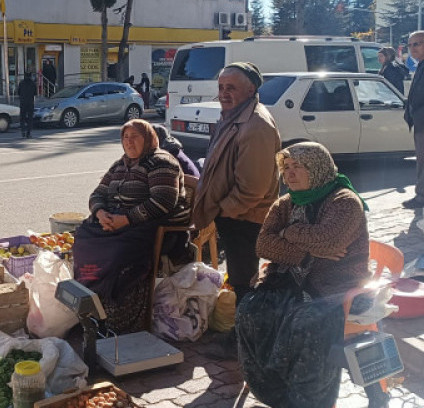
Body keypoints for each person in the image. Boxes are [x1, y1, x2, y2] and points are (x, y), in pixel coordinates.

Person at [237, 142, 370, 408]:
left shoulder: (345, 201)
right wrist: (308, 253)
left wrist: (288, 232)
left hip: (335, 288)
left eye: (298, 167)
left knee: (305, 325)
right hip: (287, 282)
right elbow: (263, 245)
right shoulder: (285, 203)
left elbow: (330, 240)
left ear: (317, 167)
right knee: (249, 311)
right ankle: (273, 391)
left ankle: (309, 400)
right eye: (286, 168)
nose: (289, 174)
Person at [73, 119, 191, 334]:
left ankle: (117, 316)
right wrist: (101, 214)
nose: (129, 142)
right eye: (125, 137)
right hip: (117, 223)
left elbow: (162, 202)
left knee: (118, 253)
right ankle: (92, 304)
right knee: (82, 237)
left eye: (135, 136)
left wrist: (124, 220)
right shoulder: (121, 163)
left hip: (150, 229)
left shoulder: (162, 162)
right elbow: (97, 193)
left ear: (148, 138)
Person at [193, 62, 281, 305]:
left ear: (250, 90)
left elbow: (253, 188)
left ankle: (244, 334)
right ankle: (242, 326)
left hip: (244, 218)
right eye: (221, 87)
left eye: (231, 87)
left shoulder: (256, 124)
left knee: (244, 282)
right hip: (233, 216)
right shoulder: (232, 116)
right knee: (238, 276)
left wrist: (224, 211)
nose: (223, 93)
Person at [403, 30, 424, 209]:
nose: (412, 48)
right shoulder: (420, 65)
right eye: (410, 45)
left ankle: (421, 197)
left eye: (416, 44)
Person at [18, 72, 36, 139]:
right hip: (30, 103)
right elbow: (35, 93)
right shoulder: (33, 83)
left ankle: (23, 130)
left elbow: (19, 92)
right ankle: (28, 133)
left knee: (22, 117)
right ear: (31, 76)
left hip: (23, 102)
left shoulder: (21, 83)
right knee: (30, 118)